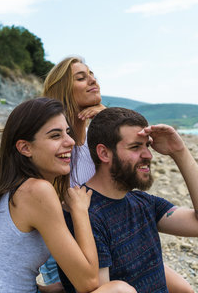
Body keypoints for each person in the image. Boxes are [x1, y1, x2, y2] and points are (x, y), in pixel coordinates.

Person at [41, 56, 193, 293]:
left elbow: (118, 152)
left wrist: (179, 151)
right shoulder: (58, 151)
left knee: (182, 288)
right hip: (75, 241)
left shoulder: (139, 201)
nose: (93, 80)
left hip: (115, 228)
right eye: (81, 78)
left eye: (92, 74)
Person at [0, 97, 128, 293]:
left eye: (67, 133)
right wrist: (80, 211)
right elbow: (89, 282)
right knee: (119, 290)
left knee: (60, 288)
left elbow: (2, 267)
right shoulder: (37, 191)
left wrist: (44, 289)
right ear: (25, 148)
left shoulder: (13, 186)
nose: (71, 142)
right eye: (55, 136)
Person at [59, 107, 197, 292]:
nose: (148, 155)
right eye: (135, 147)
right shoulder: (83, 213)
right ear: (104, 153)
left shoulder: (141, 201)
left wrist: (179, 151)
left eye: (147, 146)